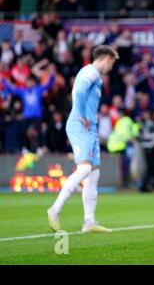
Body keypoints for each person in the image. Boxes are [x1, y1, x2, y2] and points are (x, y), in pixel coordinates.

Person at [47, 45, 119, 233]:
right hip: (81, 125)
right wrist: (81, 115)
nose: (111, 67)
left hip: (90, 128)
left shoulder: (95, 76)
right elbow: (77, 92)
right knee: (85, 168)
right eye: (111, 62)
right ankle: (55, 209)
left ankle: (89, 222)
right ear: (104, 58)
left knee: (94, 174)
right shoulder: (91, 72)